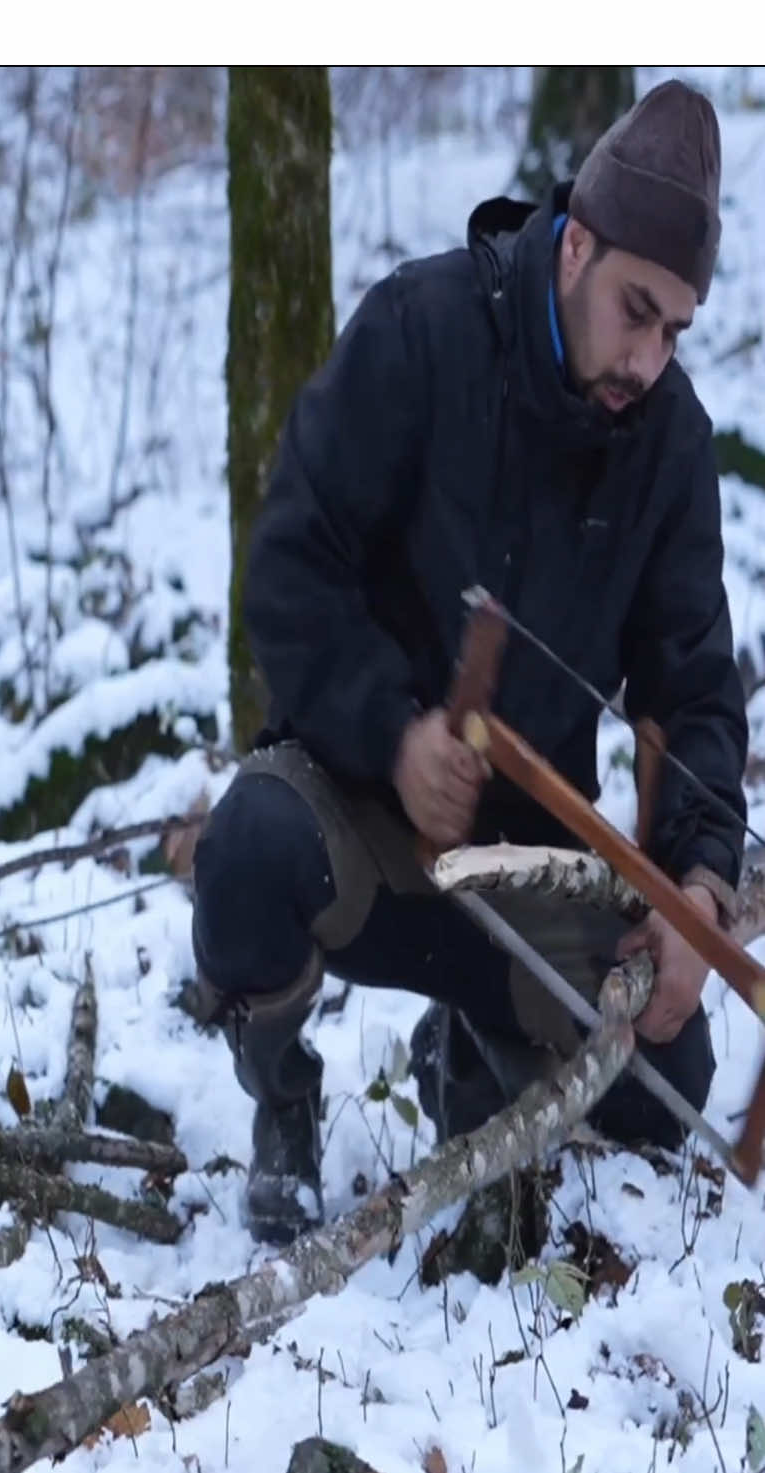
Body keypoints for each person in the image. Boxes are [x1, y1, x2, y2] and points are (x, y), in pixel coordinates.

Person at [192, 79, 749, 1245]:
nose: (647, 358)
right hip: (354, 800)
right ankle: (284, 1107)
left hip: (525, 853)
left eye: (673, 332)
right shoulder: (419, 330)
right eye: (635, 312)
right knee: (246, 854)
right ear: (576, 245)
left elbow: (692, 690)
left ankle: (472, 1050)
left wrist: (695, 893)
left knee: (665, 1089)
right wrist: (393, 735)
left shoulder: (670, 443)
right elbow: (288, 573)